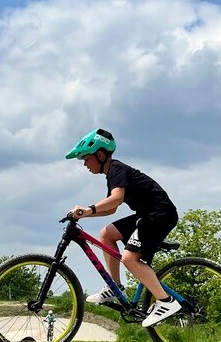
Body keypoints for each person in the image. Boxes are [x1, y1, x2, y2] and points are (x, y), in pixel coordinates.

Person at [66, 128, 181, 327]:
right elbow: (112, 208)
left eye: (86, 159)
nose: (84, 164)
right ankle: (115, 287)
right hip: (147, 215)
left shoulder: (116, 169)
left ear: (100, 155)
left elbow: (116, 198)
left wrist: (87, 209)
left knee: (129, 258)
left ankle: (166, 301)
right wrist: (86, 214)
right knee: (107, 234)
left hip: (160, 214)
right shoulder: (111, 173)